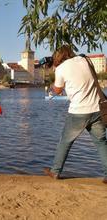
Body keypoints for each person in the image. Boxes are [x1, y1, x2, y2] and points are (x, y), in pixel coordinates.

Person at [44, 45, 107, 184]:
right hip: (97, 108)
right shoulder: (85, 60)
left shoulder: (61, 68)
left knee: (65, 141)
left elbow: (58, 90)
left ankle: (55, 171)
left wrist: (55, 74)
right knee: (101, 142)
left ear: (58, 57)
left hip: (79, 111)